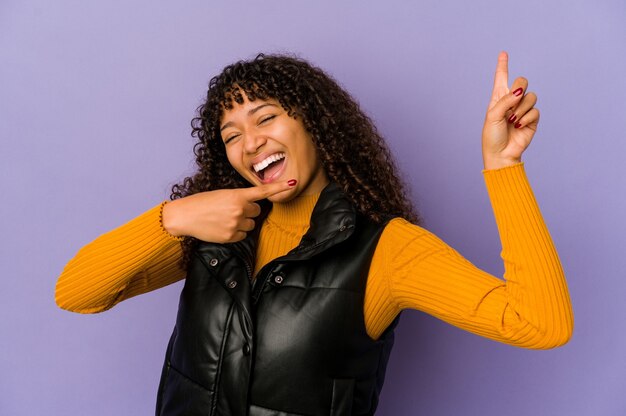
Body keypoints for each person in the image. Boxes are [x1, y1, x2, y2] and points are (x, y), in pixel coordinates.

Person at [55, 51, 574, 416]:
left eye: (266, 119)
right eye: (231, 136)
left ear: (315, 125)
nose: (251, 143)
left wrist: (502, 167)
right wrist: (172, 218)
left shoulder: (387, 250)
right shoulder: (211, 230)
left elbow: (541, 324)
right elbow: (75, 293)